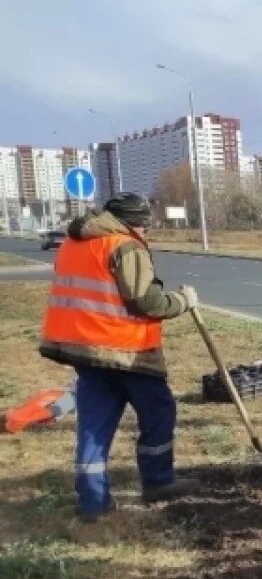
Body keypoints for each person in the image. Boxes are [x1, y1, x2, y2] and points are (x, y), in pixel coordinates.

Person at [39, 193, 201, 522]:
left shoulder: (72, 244)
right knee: (159, 413)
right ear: (133, 223)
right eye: (145, 226)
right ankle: (158, 482)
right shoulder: (125, 246)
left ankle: (92, 503)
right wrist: (184, 300)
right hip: (127, 352)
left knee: (93, 427)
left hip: (83, 349)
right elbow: (147, 302)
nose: (146, 232)